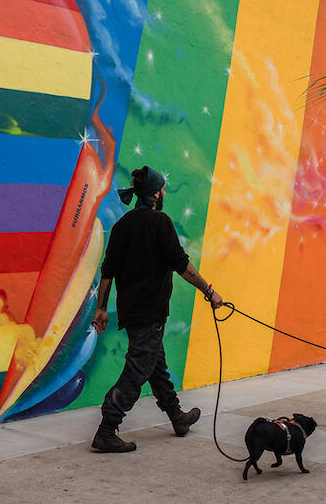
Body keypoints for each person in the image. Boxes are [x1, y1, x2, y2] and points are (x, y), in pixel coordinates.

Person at [91, 166, 224, 453]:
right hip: (151, 312)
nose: (164, 193)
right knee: (139, 367)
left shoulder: (121, 227)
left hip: (131, 311)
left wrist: (101, 309)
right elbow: (182, 265)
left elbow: (107, 271)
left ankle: (177, 417)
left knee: (155, 364)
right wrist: (209, 291)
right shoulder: (160, 222)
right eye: (162, 189)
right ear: (155, 193)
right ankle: (107, 427)